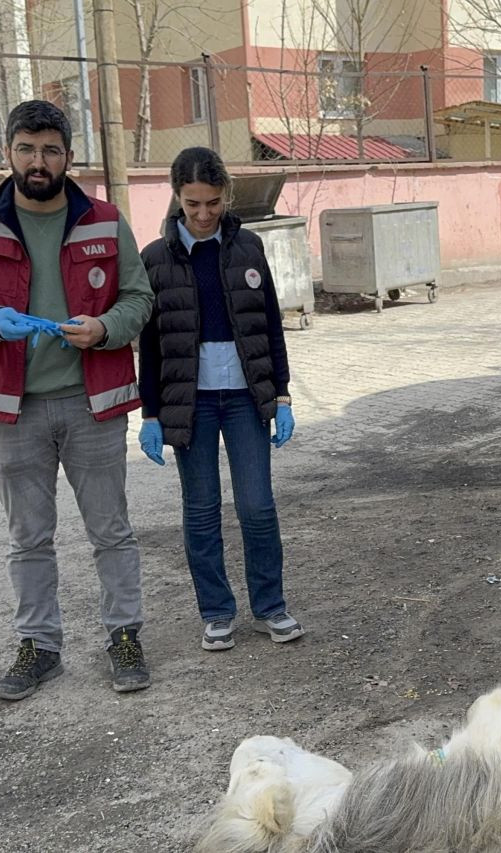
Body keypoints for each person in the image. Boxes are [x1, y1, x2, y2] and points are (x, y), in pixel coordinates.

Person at [0, 100, 154, 699]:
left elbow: (139, 298)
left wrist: (106, 328)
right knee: (28, 537)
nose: (39, 161)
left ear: (68, 156)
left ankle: (124, 636)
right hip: (14, 407)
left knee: (111, 530)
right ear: (8, 152)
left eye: (51, 150)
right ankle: (39, 645)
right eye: (27, 149)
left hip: (92, 401)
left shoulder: (106, 221)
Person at [137, 146, 302, 652]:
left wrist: (283, 393)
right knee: (202, 509)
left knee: (257, 506)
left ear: (226, 195)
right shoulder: (155, 258)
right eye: (192, 205)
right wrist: (150, 413)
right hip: (191, 402)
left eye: (212, 202)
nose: (204, 214)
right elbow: (149, 344)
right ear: (177, 199)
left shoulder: (248, 248)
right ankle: (216, 612)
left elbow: (270, 323)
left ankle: (270, 606)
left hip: (247, 397)